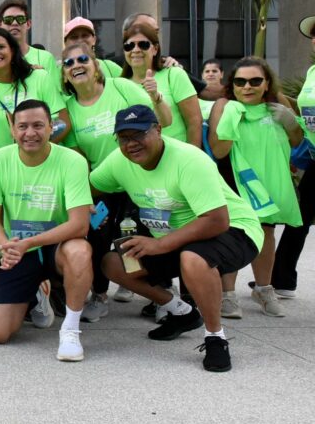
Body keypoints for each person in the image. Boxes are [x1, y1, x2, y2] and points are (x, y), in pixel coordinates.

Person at [91, 105, 263, 372]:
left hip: (234, 229)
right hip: (175, 237)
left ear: (158, 129)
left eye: (138, 134)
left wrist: (159, 244)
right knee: (114, 263)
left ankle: (215, 337)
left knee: (193, 258)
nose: (131, 144)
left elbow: (217, 219)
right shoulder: (119, 160)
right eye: (124, 138)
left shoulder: (189, 159)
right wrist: (86, 208)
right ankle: (182, 312)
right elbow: (89, 186)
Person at [0, 100, 93, 361]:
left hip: (57, 247)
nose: (30, 133)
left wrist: (28, 244)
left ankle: (71, 330)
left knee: (80, 250)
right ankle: (37, 293)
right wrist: (5, 247)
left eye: (38, 125)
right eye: (23, 126)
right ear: (12, 130)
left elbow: (79, 224)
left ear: (52, 127)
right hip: (18, 248)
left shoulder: (72, 161)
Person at [61, 42, 168, 321]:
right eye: (69, 63)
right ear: (64, 75)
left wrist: (157, 98)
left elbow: (160, 124)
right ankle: (99, 295)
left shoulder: (122, 88)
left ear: (96, 65)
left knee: (139, 239)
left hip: (140, 182)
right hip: (103, 186)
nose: (76, 65)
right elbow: (78, 159)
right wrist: (85, 197)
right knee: (97, 237)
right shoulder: (69, 109)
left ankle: (157, 295)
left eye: (83, 59)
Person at [208, 57, 303, 318]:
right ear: (232, 84)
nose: (247, 87)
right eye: (240, 81)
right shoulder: (224, 105)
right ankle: (228, 295)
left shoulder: (278, 103)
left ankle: (264, 289)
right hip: (233, 177)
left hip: (269, 179)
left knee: (265, 233)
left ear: (266, 83)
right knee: (234, 233)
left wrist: (290, 121)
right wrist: (230, 120)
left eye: (254, 81)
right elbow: (219, 150)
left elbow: (296, 141)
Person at [0, 28, 69, 160]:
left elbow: (64, 122)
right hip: (5, 168)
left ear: (12, 51)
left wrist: (36, 150)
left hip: (43, 160)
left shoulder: (40, 77)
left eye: (1, 47)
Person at [270, 15, 315, 294]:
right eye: (314, 35)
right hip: (313, 156)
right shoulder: (312, 72)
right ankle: (281, 280)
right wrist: (287, 109)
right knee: (299, 218)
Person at [120, 23, 202, 147]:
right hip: (137, 160)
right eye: (129, 46)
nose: (135, 50)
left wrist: (194, 158)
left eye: (143, 44)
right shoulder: (120, 84)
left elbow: (194, 121)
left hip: (177, 156)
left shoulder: (174, 74)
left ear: (155, 49)